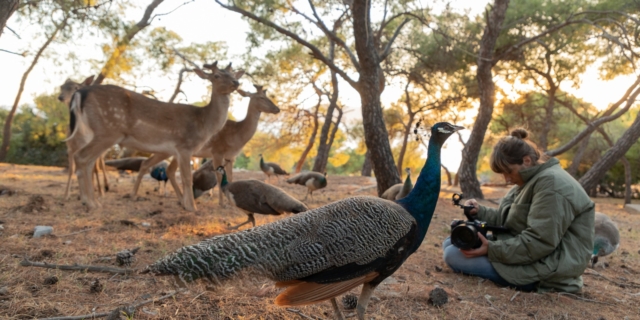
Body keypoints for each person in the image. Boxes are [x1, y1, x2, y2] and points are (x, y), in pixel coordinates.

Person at [443, 128, 595, 292]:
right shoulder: (531, 179)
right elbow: (509, 219)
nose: (507, 179)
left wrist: (493, 250)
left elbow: (540, 242)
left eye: (508, 172)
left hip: (549, 269)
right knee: (453, 242)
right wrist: (479, 211)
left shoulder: (551, 185)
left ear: (527, 161)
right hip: (533, 255)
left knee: (453, 255)